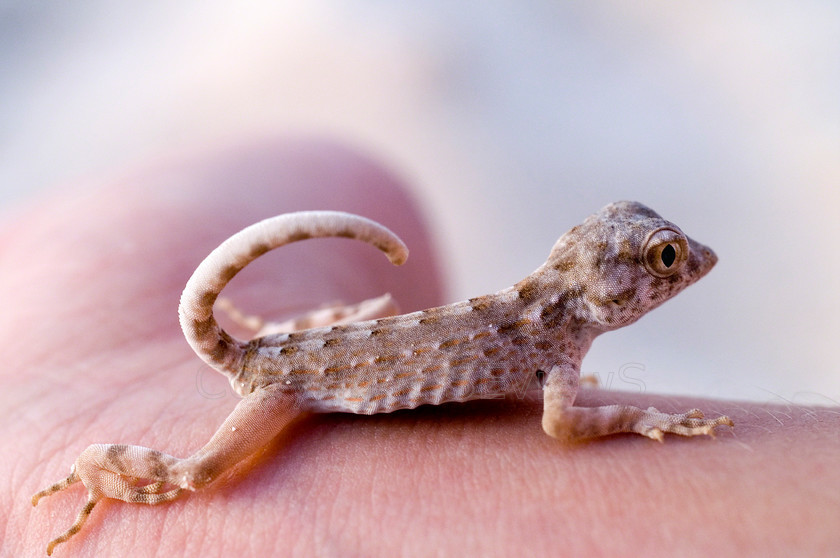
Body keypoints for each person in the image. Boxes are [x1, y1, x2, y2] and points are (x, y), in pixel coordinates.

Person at [5, 138, 837, 556]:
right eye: (664, 261)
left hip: (311, 355)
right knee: (202, 480)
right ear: (601, 285)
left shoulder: (548, 335)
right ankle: (92, 468)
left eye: (668, 258)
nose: (690, 267)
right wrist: (645, 417)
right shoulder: (553, 355)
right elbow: (564, 429)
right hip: (283, 384)